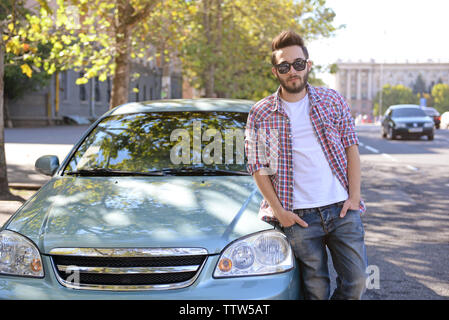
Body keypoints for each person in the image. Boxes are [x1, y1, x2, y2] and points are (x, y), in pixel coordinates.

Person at [244, 30, 368, 300]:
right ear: (275, 71)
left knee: (357, 282)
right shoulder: (261, 112)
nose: (293, 71)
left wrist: (355, 197)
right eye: (284, 66)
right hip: (298, 217)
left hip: (342, 210)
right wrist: (280, 212)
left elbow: (351, 149)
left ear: (308, 65)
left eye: (298, 64)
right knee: (316, 290)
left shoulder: (332, 100)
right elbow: (257, 166)